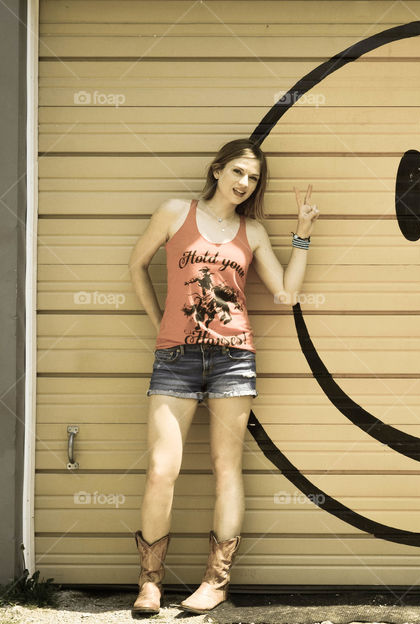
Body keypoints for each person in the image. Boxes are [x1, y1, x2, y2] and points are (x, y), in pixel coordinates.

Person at [126, 138, 320, 615]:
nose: (243, 183)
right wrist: (161, 328)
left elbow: (286, 294)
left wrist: (302, 234)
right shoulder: (174, 212)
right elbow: (136, 267)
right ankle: (150, 583)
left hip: (234, 359)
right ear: (217, 170)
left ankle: (216, 582)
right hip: (177, 358)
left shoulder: (251, 232)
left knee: (226, 469)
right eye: (237, 171)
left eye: (252, 178)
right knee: (160, 471)